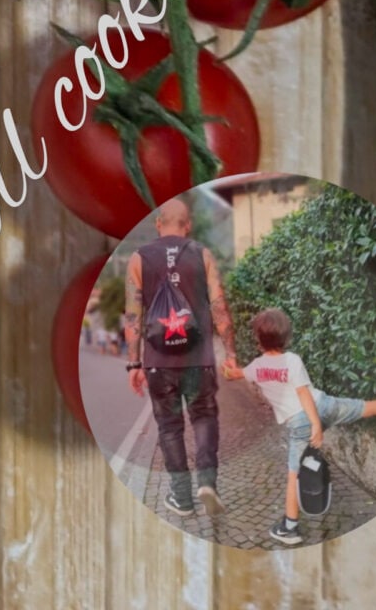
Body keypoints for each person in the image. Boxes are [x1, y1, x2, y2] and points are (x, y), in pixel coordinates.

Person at [241, 306, 376, 544]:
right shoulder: (292, 360)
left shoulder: (256, 367)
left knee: (293, 474)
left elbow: (243, 375)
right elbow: (305, 393)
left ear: (257, 339)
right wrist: (318, 422)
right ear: (286, 336)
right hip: (324, 405)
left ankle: (290, 528)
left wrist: (315, 426)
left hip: (302, 423)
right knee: (366, 407)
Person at [125, 199, 238, 517]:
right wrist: (230, 353)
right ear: (188, 225)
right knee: (204, 416)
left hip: (159, 362)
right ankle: (207, 483)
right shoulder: (202, 254)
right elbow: (219, 306)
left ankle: (182, 499)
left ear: (159, 223)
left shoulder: (138, 258)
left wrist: (135, 364)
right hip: (199, 358)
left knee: (170, 427)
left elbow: (133, 317)